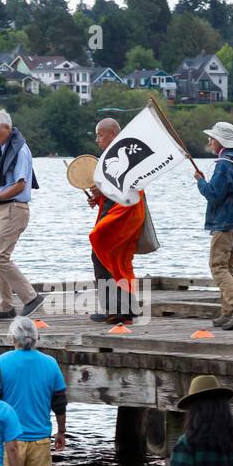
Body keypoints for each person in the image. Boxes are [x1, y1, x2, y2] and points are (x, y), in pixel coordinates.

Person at [0, 316, 67, 466]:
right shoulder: (50, 363)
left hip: (11, 440)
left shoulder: (1, 362)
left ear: (12, 338)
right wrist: (61, 431)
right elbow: (59, 402)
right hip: (40, 438)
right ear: (36, 338)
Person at [0, 110, 45, 321]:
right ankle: (5, 305)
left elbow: (20, 185)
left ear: (7, 128)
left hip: (13, 208)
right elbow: (2, 183)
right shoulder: (5, 148)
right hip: (3, 208)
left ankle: (31, 297)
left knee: (0, 258)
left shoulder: (20, 150)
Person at [193, 122, 233, 330]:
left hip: (227, 223)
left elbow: (213, 195)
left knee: (218, 266)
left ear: (220, 141)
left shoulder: (224, 163)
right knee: (228, 266)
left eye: (211, 138)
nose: (209, 142)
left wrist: (200, 181)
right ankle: (227, 311)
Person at [87, 117, 148, 323]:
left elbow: (124, 184)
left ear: (112, 134)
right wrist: (99, 197)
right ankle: (127, 308)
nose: (97, 140)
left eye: (100, 135)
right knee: (120, 260)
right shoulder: (122, 153)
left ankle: (113, 309)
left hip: (122, 214)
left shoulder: (120, 154)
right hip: (124, 211)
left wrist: (102, 190)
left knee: (102, 255)